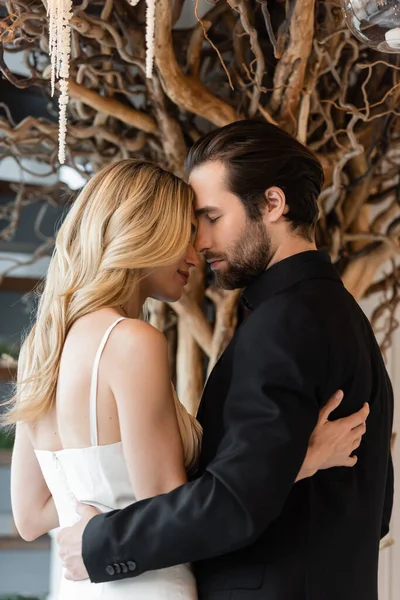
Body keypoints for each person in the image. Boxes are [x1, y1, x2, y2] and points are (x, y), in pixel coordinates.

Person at [56, 121, 393, 600]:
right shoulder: (343, 316)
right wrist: (296, 464)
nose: (199, 242)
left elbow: (236, 500)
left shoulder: (285, 322)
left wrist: (101, 544)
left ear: (273, 204)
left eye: (211, 216)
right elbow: (375, 507)